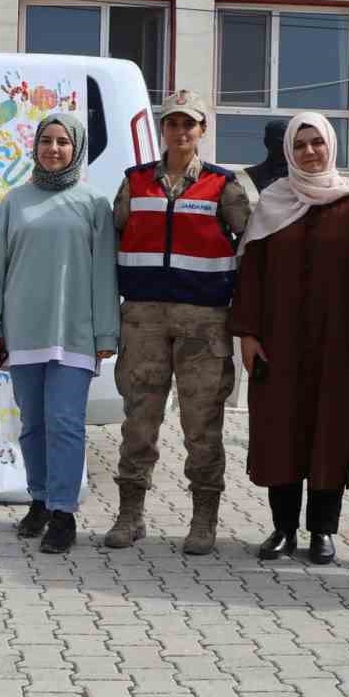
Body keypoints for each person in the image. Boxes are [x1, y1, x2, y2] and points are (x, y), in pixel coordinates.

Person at [229, 113, 349, 566]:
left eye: (318, 143)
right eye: (301, 145)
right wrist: (248, 333)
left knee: (330, 430)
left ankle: (323, 530)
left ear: (331, 146)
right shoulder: (272, 202)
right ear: (288, 153)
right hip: (279, 339)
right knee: (280, 429)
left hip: (337, 341)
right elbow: (251, 274)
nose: (310, 152)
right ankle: (283, 528)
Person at [106, 90, 251, 554]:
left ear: (202, 130)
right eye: (172, 123)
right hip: (143, 320)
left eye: (189, 124)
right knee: (138, 421)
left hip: (204, 325)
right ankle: (130, 513)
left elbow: (251, 250)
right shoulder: (135, 183)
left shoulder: (223, 186)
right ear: (161, 129)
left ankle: (203, 518)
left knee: (202, 424)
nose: (180, 132)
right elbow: (110, 241)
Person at [0, 114, 118, 554]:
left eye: (62, 142)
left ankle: (63, 512)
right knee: (33, 424)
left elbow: (103, 274)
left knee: (66, 423)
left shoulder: (94, 204)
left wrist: (104, 333)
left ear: (76, 148)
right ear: (35, 146)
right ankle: (38, 499)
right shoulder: (14, 202)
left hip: (74, 332)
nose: (53, 149)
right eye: (46, 141)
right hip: (23, 331)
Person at [243, 118, 289, 194]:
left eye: (289, 142)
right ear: (267, 142)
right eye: (280, 142)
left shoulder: (301, 175)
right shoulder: (250, 175)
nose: (285, 146)